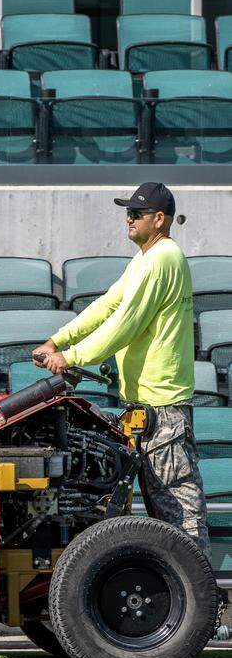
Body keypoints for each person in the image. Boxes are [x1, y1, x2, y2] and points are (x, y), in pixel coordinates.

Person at [33, 182, 208, 554]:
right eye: (127, 212)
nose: (128, 218)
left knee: (181, 522)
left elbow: (124, 323)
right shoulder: (144, 259)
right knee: (164, 524)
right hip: (144, 411)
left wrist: (72, 356)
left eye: (136, 213)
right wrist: (58, 340)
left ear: (159, 219)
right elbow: (107, 306)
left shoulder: (163, 259)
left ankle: (202, 603)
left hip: (164, 412)